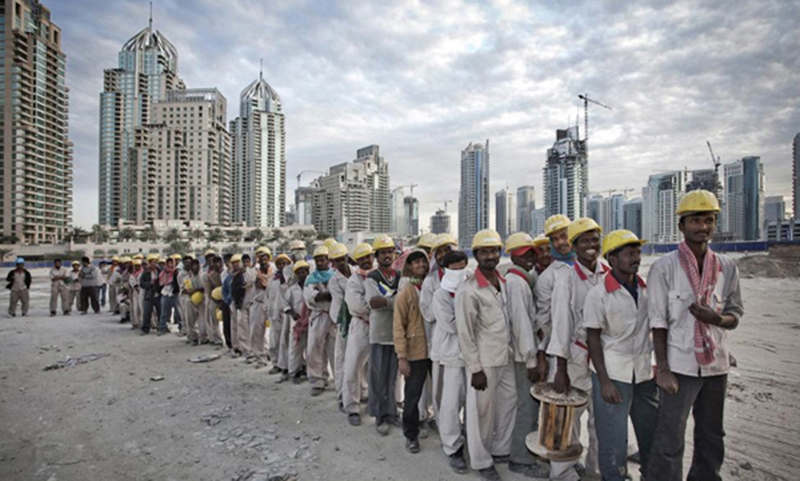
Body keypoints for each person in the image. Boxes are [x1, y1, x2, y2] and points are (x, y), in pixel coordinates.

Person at [646, 190, 743, 481]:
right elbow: (658, 322)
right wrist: (662, 368)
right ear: (682, 225)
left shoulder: (727, 267)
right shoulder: (664, 268)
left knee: (712, 434)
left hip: (716, 365)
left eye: (709, 220)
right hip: (680, 365)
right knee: (670, 435)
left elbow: (735, 313)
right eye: (695, 220)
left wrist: (717, 319)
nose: (703, 227)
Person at [583, 230, 658, 481]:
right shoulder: (598, 294)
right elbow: (593, 338)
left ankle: (650, 474)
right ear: (612, 259)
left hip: (644, 373)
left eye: (637, 253)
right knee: (613, 438)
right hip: (614, 374)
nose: (636, 258)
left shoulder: (646, 289)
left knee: (650, 432)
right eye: (629, 253)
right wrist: (604, 381)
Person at [455, 230, 516, 481]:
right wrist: (475, 368)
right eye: (484, 252)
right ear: (476, 255)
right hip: (484, 361)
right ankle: (481, 460)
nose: (490, 256)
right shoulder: (468, 290)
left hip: (506, 356)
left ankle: (500, 449)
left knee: (508, 404)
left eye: (494, 251)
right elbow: (465, 333)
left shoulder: (504, 282)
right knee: (481, 411)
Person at [548, 217, 606, 481]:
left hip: (604, 358)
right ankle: (562, 472)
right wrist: (560, 368)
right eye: (584, 240)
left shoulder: (607, 271)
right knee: (568, 420)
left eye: (595, 239)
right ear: (574, 245)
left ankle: (596, 468)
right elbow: (561, 324)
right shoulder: (566, 279)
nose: (591, 245)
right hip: (574, 356)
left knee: (601, 419)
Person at [500, 233, 548, 479]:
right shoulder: (517, 283)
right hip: (523, 356)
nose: (530, 259)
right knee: (527, 407)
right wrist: (531, 359)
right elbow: (521, 325)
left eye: (531, 254)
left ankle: (520, 450)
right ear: (514, 256)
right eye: (525, 255)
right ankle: (520, 458)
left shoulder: (518, 279)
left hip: (521, 352)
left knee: (523, 405)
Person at [431, 250, 471, 474]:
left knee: (472, 402)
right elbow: (452, 326)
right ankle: (452, 448)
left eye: (461, 267)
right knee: (450, 403)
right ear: (445, 270)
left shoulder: (471, 282)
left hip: (472, 355)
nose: (458, 272)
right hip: (450, 353)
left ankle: (469, 439)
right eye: (453, 269)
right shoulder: (441, 294)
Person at [419, 233, 459, 436]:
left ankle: (455, 428)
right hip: (442, 342)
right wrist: (444, 308)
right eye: (440, 251)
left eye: (448, 249)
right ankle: (445, 429)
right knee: (441, 390)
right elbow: (427, 312)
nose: (444, 254)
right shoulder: (431, 282)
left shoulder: (466, 276)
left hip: (467, 345)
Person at [393, 249, 431, 453]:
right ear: (409, 267)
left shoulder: (433, 286)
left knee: (437, 394)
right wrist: (402, 357)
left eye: (423, 262)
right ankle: (411, 434)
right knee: (412, 396)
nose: (420, 266)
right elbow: (398, 326)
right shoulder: (406, 292)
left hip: (434, 348)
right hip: (415, 351)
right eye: (415, 263)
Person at [364, 235, 401, 436]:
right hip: (379, 333)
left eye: (390, 252)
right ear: (377, 256)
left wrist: (387, 302)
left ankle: (392, 413)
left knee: (393, 377)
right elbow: (373, 303)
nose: (387, 255)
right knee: (377, 376)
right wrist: (395, 301)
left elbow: (405, 301)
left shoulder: (401, 275)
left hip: (396, 333)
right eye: (383, 252)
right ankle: (379, 414)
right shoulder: (372, 277)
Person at [534, 214, 574, 383]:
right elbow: (544, 321)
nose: (560, 243)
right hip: (560, 353)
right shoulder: (548, 277)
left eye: (564, 236)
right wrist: (542, 353)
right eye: (554, 239)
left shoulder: (595, 266)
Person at [343, 243, 376, 426]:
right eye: (361, 258)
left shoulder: (379, 275)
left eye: (368, 257)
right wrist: (378, 307)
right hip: (361, 325)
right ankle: (352, 407)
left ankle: (374, 402)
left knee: (376, 367)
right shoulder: (354, 281)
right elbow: (358, 306)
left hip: (378, 326)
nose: (366, 261)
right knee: (353, 366)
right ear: (356, 261)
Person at [304, 245, 337, 396]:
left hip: (333, 316)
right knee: (314, 349)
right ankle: (318, 380)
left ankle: (339, 381)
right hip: (318, 316)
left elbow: (336, 296)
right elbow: (311, 298)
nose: (320, 263)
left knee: (335, 350)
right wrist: (325, 294)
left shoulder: (335, 276)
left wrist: (323, 294)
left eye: (322, 260)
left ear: (328, 260)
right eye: (317, 260)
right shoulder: (310, 278)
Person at [327, 243, 352, 410]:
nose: (340, 263)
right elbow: (339, 304)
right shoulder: (334, 281)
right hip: (343, 321)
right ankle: (342, 395)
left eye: (342, 259)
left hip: (359, 321)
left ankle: (359, 393)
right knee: (342, 360)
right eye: (337, 261)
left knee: (359, 362)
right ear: (333, 263)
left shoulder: (357, 274)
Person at [284, 260, 311, 383]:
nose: (302, 274)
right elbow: (286, 304)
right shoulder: (292, 289)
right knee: (295, 347)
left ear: (307, 272)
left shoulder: (312, 287)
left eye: (304, 272)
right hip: (297, 322)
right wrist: (292, 313)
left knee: (310, 347)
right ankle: (294, 372)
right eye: (299, 272)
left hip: (311, 321)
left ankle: (309, 371)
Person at [267, 254, 292, 376]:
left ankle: (286, 366)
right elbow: (268, 296)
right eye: (279, 264)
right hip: (274, 313)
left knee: (286, 341)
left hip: (287, 314)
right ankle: (275, 363)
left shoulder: (292, 278)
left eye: (284, 263)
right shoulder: (272, 279)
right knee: (274, 341)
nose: (282, 266)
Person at [248, 247, 273, 368]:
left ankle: (274, 357)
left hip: (271, 302)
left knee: (275, 331)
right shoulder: (254, 270)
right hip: (257, 302)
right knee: (256, 331)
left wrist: (263, 279)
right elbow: (254, 281)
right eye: (260, 257)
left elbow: (267, 285)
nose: (263, 260)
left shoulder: (273, 269)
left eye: (265, 258)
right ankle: (259, 356)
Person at [158, 257, 182, 335]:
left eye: (171, 263)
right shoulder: (163, 272)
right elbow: (160, 282)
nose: (170, 265)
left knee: (178, 312)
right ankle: (162, 328)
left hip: (174, 294)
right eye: (168, 263)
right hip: (165, 293)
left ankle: (182, 328)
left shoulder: (176, 272)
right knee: (163, 313)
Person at [139, 254, 162, 335]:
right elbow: (141, 284)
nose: (153, 264)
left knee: (161, 313)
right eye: (151, 262)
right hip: (149, 295)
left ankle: (161, 328)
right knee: (147, 313)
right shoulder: (145, 273)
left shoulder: (160, 271)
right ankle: (145, 329)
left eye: (155, 262)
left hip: (159, 295)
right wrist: (150, 283)